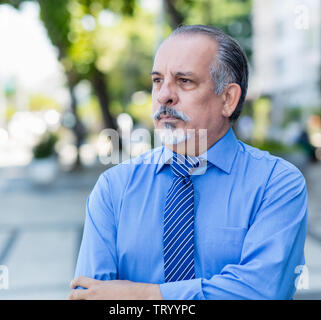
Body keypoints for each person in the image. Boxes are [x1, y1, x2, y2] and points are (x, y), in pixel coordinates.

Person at [68, 25, 307, 300]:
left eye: (184, 81)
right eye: (158, 80)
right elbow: (91, 296)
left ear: (228, 99)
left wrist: (143, 296)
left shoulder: (276, 184)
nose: (163, 96)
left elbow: (260, 292)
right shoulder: (114, 188)